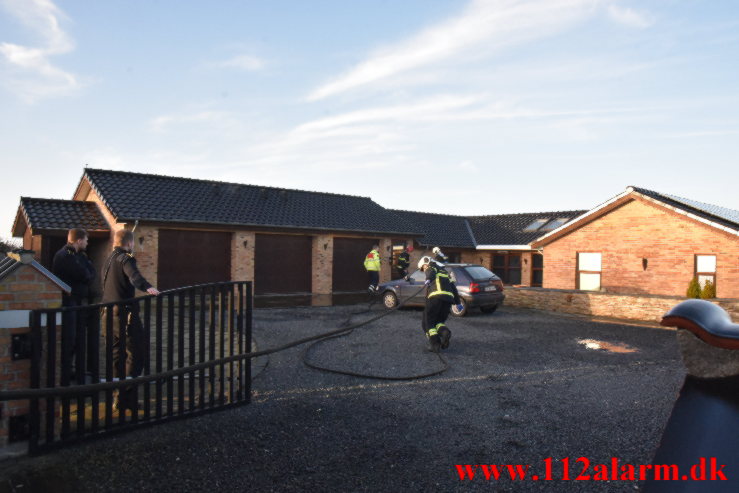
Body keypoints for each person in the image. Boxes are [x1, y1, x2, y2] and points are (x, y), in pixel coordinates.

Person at [101, 229, 160, 412]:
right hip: (125, 315)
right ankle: (126, 399)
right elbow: (134, 276)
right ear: (129, 243)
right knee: (136, 355)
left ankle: (116, 397)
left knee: (116, 356)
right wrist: (149, 288)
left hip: (107, 314)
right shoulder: (126, 259)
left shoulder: (108, 260)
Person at [52, 228, 96, 381]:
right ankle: (64, 375)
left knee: (79, 340)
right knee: (69, 339)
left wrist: (87, 275)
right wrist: (87, 275)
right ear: (78, 240)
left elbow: (91, 273)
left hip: (79, 302)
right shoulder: (64, 255)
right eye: (86, 240)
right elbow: (83, 274)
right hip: (68, 303)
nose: (87, 242)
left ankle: (75, 371)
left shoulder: (80, 256)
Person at [417, 256, 463, 353]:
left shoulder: (431, 267)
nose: (424, 270)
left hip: (435, 297)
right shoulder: (445, 272)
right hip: (447, 300)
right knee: (438, 322)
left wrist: (428, 278)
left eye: (423, 268)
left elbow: (430, 272)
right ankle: (444, 332)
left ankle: (435, 344)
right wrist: (458, 303)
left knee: (427, 322)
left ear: (426, 263)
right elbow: (453, 288)